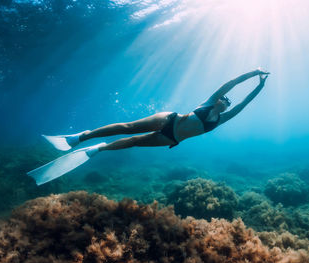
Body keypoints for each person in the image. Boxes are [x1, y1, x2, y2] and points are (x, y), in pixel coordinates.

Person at [27, 69, 269, 185]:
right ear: (218, 99)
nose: (226, 102)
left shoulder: (222, 119)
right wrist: (253, 73)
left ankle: (98, 149)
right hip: (169, 120)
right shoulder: (209, 102)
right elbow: (232, 83)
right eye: (224, 99)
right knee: (128, 127)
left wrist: (260, 85)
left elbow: (246, 103)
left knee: (132, 143)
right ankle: (82, 136)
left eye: (228, 102)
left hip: (171, 139)